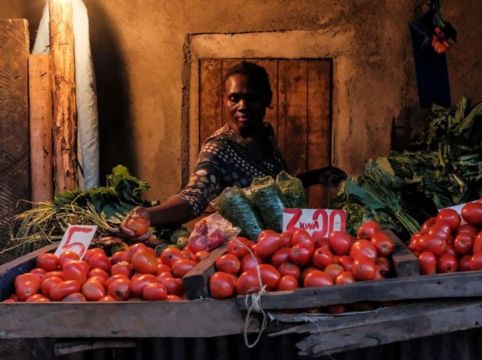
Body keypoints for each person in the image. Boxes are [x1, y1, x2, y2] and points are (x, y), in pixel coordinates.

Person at [121, 61, 346, 240]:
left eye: (251, 98)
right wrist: (149, 215)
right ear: (225, 101)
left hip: (279, 244)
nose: (242, 107)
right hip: (241, 253)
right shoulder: (218, 148)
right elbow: (194, 196)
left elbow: (273, 188)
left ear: (267, 99)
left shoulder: (266, 135)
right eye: (234, 98)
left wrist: (314, 177)